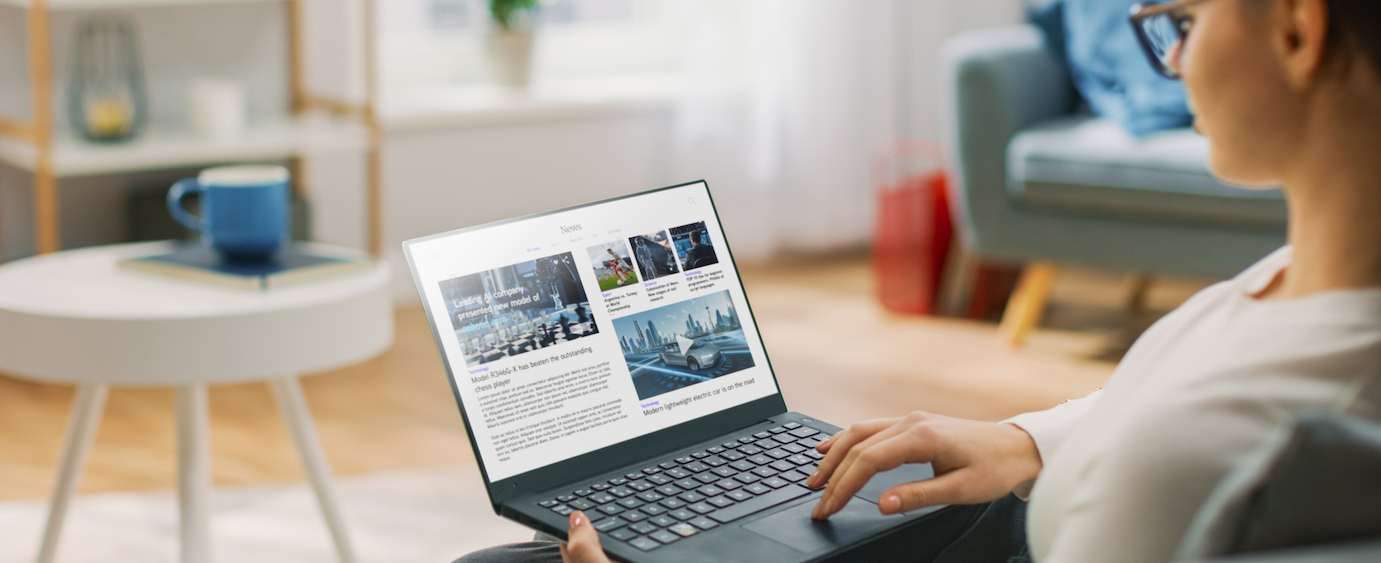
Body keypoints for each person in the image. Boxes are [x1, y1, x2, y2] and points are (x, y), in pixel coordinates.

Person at [458, 0, 1381, 561]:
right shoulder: (1310, 284)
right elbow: (1177, 398)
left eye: (1181, 22)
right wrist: (1023, 438)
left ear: (1297, 31)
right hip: (1025, 511)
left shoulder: (1256, 428)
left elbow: (1185, 435)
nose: (1173, 59)